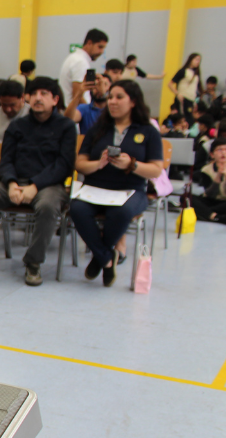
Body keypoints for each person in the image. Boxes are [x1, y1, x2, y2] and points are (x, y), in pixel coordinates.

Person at [0, 77, 76, 287]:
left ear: (55, 99)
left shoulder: (66, 126)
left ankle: (33, 262)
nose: (38, 98)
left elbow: (63, 165)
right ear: (28, 98)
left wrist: (34, 186)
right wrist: (11, 183)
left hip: (48, 185)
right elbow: (6, 159)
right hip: (15, 182)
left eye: (44, 94)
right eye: (33, 94)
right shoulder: (18, 125)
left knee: (48, 206)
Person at [69, 79, 163, 286]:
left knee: (120, 212)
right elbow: (80, 164)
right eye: (110, 97)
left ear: (133, 102)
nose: (112, 101)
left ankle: (99, 258)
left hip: (131, 190)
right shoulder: (97, 130)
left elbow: (156, 169)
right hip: (95, 188)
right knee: (77, 209)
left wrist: (132, 165)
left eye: (119, 97)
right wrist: (98, 164)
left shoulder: (148, 131)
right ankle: (106, 257)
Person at [193, 137, 226, 224]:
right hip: (212, 201)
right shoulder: (206, 170)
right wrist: (218, 176)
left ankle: (206, 213)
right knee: (188, 198)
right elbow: (210, 194)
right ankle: (217, 217)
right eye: (219, 150)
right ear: (212, 154)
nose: (223, 153)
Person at [59, 28, 109, 107]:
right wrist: (88, 112)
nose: (102, 52)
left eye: (103, 48)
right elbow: (77, 95)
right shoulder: (80, 62)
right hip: (76, 111)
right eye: (100, 47)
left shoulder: (75, 58)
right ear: (89, 43)